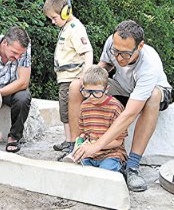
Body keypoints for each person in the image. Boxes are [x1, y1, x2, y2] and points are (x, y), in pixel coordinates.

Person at [69, 20, 172, 191]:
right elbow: (105, 65)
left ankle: (132, 166)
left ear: (140, 46)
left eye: (124, 54)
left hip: (153, 92)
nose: (118, 57)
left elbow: (130, 114)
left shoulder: (149, 64)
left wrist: (97, 145)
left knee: (152, 96)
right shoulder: (112, 42)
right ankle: (74, 149)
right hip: (122, 86)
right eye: (115, 51)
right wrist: (88, 80)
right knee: (75, 87)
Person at [43, 0, 93, 154]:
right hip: (64, 78)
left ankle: (73, 141)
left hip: (73, 79)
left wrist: (85, 76)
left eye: (54, 18)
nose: (52, 21)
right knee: (64, 110)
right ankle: (69, 140)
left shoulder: (75, 28)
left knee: (71, 111)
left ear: (65, 12)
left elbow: (88, 52)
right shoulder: (66, 27)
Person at [63, 65, 127, 172]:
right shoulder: (84, 106)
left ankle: (121, 168)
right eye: (87, 92)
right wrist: (80, 142)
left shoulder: (115, 107)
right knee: (81, 171)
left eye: (97, 92)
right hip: (90, 155)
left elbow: (118, 141)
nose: (91, 97)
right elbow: (84, 133)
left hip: (111, 154)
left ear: (106, 89)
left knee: (104, 171)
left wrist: (95, 145)